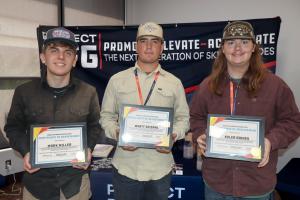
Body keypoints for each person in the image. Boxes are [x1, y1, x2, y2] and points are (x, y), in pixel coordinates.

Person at [190, 21, 300, 200]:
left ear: (254, 47)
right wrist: (200, 134)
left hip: (256, 183)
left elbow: (293, 121)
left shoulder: (275, 86)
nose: (238, 48)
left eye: (244, 41)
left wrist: (271, 141)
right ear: (223, 49)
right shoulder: (207, 86)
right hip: (217, 183)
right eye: (231, 42)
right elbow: (196, 116)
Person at [4, 27, 103, 200]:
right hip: (37, 185)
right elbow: (13, 128)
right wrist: (26, 152)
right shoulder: (24, 92)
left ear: (75, 60)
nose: (61, 57)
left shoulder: (89, 92)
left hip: (75, 185)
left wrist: (88, 149)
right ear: (43, 57)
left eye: (68, 52)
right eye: (54, 50)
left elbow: (94, 126)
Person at [100, 22, 190, 200]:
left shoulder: (174, 83)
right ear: (136, 46)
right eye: (143, 41)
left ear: (162, 47)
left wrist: (173, 135)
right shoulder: (117, 80)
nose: (149, 46)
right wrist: (118, 133)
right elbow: (106, 116)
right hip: (126, 166)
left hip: (160, 168)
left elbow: (183, 118)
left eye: (155, 41)